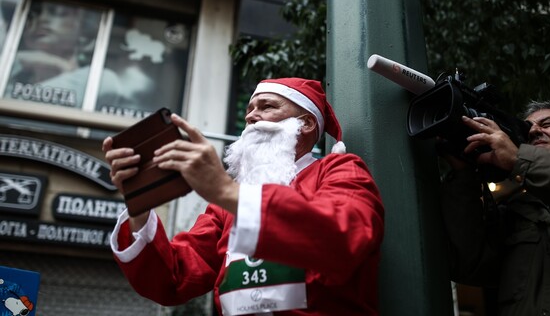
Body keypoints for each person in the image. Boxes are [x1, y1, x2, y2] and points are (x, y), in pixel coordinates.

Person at [102, 77, 385, 315]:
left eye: (267, 106)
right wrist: (140, 202)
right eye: (249, 109)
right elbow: (173, 276)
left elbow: (346, 236)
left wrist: (226, 191)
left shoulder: (338, 170)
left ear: (306, 123)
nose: (250, 116)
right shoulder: (226, 206)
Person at [440, 100, 550, 316]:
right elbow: (469, 265)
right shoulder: (517, 214)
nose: (534, 130)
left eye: (547, 123)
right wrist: (464, 175)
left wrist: (519, 159)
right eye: (528, 128)